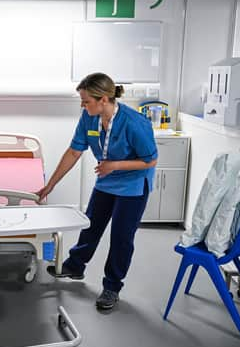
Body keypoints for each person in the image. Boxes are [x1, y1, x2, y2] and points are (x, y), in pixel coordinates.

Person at [37, 73, 158, 311]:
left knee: (121, 238)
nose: (82, 105)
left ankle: (112, 286)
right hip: (107, 180)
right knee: (90, 225)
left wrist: (114, 165)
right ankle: (75, 266)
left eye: (86, 101)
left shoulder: (134, 123)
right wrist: (50, 185)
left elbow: (150, 160)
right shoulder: (89, 118)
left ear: (103, 99)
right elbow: (74, 152)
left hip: (133, 185)